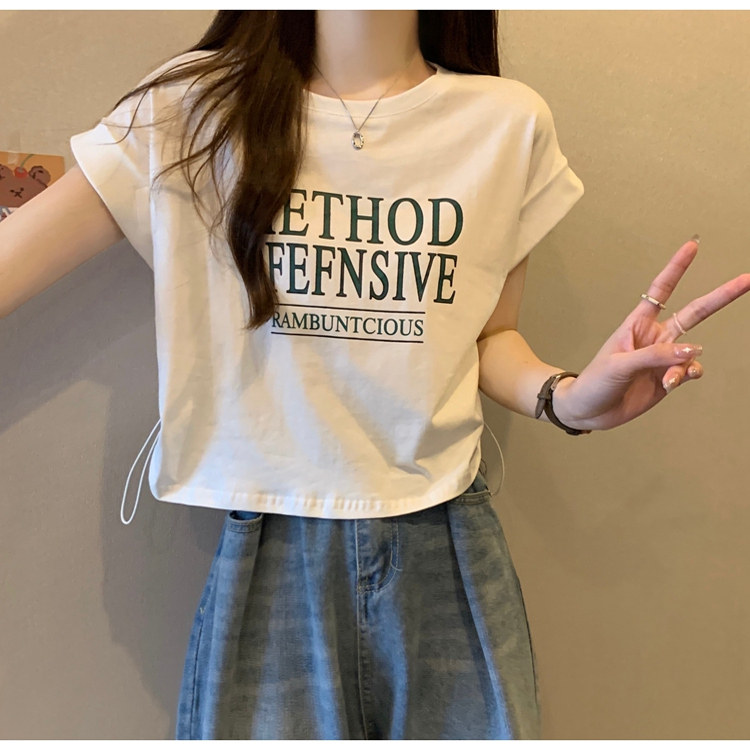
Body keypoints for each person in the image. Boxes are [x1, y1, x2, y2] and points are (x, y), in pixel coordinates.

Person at [2, 9, 748, 741]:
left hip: (448, 539)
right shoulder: (193, 109)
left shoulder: (504, 122)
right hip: (271, 543)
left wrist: (570, 399)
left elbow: (487, 335)